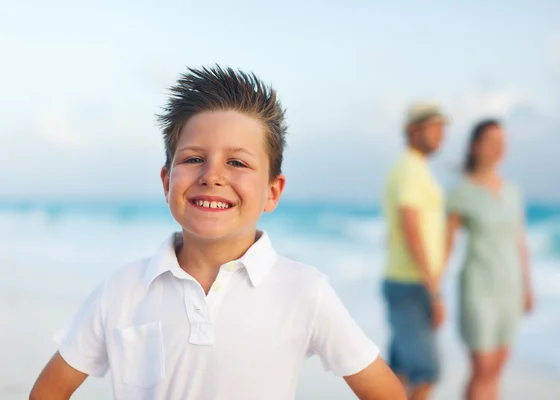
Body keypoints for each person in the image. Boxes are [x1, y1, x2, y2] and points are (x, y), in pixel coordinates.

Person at [29, 66, 406, 400]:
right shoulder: (122, 290)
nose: (212, 175)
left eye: (237, 162)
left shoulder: (304, 290)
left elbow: (384, 392)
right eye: (193, 159)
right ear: (166, 181)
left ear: (272, 192)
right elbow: (49, 391)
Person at [445, 119, 534, 400]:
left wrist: (527, 285)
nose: (499, 149)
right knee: (482, 366)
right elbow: (446, 244)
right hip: (477, 288)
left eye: (503, 143)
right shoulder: (461, 192)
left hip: (510, 287)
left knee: (496, 368)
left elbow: (519, 241)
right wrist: (433, 289)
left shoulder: (513, 192)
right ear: (474, 146)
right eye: (492, 142)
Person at [382, 101, 448, 400]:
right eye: (433, 127)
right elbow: (411, 229)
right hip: (411, 283)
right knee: (426, 372)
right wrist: (433, 290)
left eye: (442, 128)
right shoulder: (410, 169)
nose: (440, 135)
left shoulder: (414, 168)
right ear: (413, 131)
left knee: (401, 372)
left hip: (407, 281)